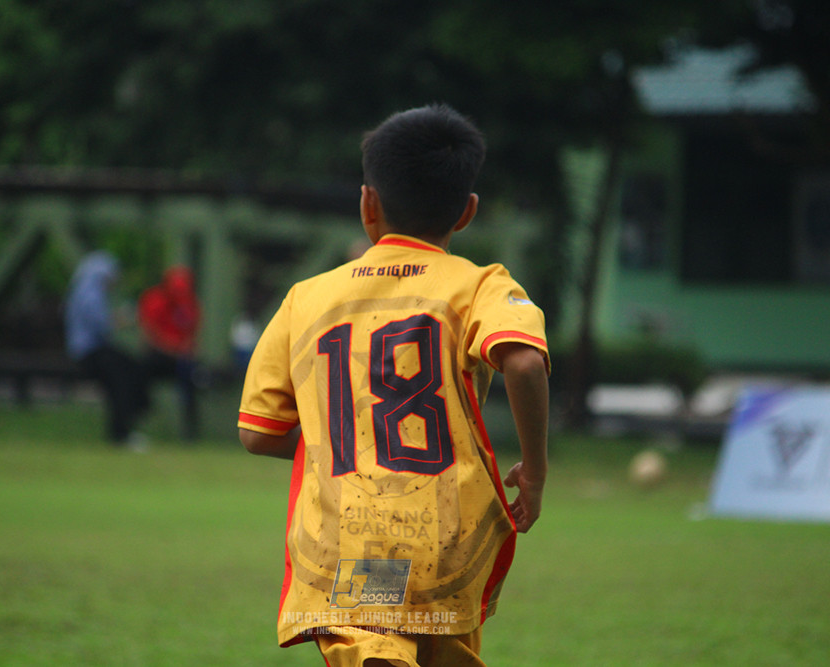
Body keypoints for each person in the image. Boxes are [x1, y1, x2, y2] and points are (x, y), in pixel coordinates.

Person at [237, 104, 550, 667]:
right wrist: (534, 470)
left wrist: (350, 441)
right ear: (467, 212)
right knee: (439, 651)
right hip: (449, 535)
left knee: (375, 642)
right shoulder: (482, 285)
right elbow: (524, 364)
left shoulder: (307, 297)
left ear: (368, 203)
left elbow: (259, 431)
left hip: (361, 538)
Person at [64, 251, 149, 448]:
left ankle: (126, 424)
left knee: (129, 366)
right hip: (89, 352)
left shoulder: (81, 288)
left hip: (91, 351)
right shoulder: (90, 292)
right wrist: (124, 318)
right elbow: (100, 326)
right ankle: (122, 430)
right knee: (122, 378)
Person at [138, 265, 203, 440]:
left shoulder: (189, 303)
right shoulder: (154, 301)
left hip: (180, 360)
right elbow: (150, 335)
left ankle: (190, 430)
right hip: (158, 356)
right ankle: (142, 413)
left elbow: (192, 334)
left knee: (193, 375)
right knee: (140, 372)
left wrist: (185, 348)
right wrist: (175, 348)